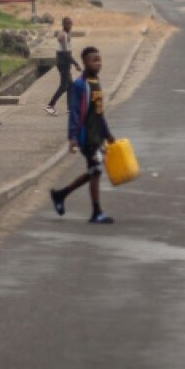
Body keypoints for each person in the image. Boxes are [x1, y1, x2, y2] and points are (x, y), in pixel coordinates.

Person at [50, 46, 117, 224]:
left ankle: (60, 194)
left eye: (99, 60)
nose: (98, 63)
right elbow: (74, 112)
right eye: (94, 60)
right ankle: (96, 212)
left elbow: (99, 112)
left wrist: (108, 134)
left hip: (97, 135)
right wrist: (72, 137)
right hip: (86, 136)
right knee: (95, 170)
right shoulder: (80, 85)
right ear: (85, 62)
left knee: (94, 171)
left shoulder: (96, 81)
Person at [45, 16, 74, 116]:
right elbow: (66, 53)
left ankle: (70, 108)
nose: (71, 26)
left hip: (64, 63)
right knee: (63, 86)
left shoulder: (65, 34)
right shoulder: (64, 35)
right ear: (64, 25)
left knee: (70, 85)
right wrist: (76, 63)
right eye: (69, 24)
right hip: (63, 64)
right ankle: (50, 106)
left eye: (71, 24)